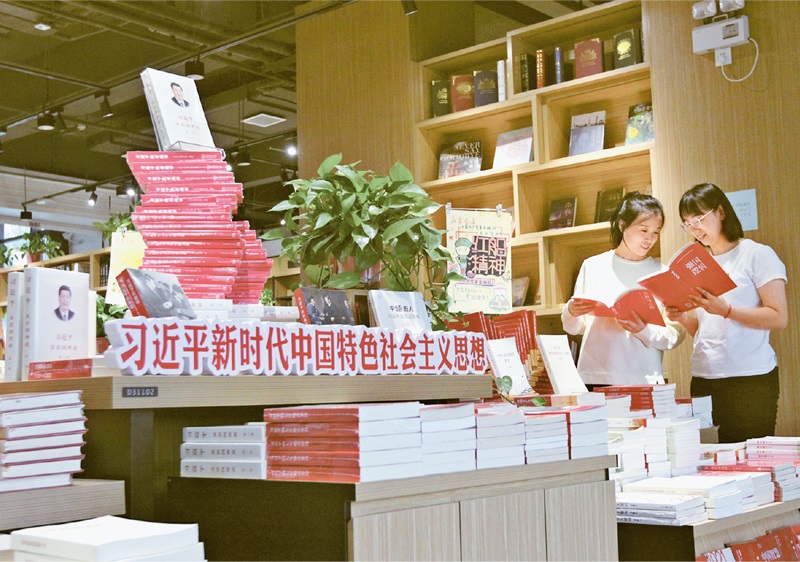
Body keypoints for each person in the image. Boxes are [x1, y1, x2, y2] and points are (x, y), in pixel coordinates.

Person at [666, 183, 788, 443]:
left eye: (698, 219)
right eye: (687, 223)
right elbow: (706, 331)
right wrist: (683, 318)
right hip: (705, 377)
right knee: (709, 458)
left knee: (750, 458)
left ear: (720, 212)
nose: (694, 228)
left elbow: (779, 317)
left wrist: (727, 310)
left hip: (750, 379)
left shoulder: (757, 254)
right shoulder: (698, 262)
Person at [562, 192, 684, 387]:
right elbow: (575, 328)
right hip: (595, 375)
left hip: (644, 377)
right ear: (622, 225)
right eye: (643, 230)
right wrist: (570, 312)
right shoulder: (593, 266)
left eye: (656, 232)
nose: (650, 239)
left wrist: (644, 331)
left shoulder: (663, 273)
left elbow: (675, 334)